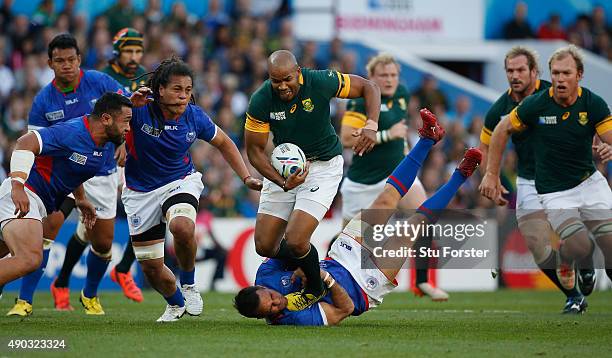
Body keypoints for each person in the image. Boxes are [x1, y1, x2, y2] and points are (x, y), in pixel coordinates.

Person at [234, 110, 483, 325]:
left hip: (341, 255)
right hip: (365, 286)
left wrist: (304, 262)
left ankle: (427, 139)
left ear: (261, 288)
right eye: (272, 310)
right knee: (413, 227)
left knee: (385, 200)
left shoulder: (265, 276)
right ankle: (462, 174)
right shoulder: (290, 318)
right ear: (263, 317)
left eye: (272, 298)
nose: (278, 304)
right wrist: (323, 279)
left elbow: (287, 250)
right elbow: (344, 310)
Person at [124, 57, 262, 322]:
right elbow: (102, 118)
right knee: (152, 268)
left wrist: (245, 177)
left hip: (179, 181)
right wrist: (128, 105)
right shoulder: (139, 108)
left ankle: (188, 284)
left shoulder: (194, 117)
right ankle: (176, 304)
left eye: (188, 90)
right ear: (160, 90)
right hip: (139, 192)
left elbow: (224, 142)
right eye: (177, 89)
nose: (183, 96)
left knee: (182, 227)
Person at [244, 50, 381, 311]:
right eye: (275, 81)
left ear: (298, 73)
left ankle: (315, 287)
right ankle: (308, 260)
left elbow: (369, 87)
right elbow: (254, 151)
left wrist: (371, 124)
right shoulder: (261, 99)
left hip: (323, 166)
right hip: (284, 170)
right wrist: (283, 182)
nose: (282, 86)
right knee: (265, 246)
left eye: (287, 79)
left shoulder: (320, 81)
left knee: (295, 240)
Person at [480, 45, 612, 314]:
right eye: (509, 71)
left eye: (520, 70)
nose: (514, 76)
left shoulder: (561, 95)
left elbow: (595, 129)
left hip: (578, 178)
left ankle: (583, 261)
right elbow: (489, 143)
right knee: (537, 245)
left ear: (534, 72)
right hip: (534, 182)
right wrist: (491, 176)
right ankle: (573, 295)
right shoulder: (503, 109)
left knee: (600, 242)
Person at [6, 33, 125, 317]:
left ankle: (90, 294)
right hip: (63, 174)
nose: (67, 65)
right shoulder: (43, 100)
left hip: (101, 170)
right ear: (50, 63)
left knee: (104, 242)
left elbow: (127, 110)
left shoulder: (99, 81)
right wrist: (26, 184)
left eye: (71, 59)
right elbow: (33, 143)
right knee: (47, 231)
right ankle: (24, 301)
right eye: (59, 61)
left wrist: (123, 144)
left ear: (79, 60)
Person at [0, 93, 132, 304]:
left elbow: (73, 169)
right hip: (24, 195)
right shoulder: (72, 131)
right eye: (125, 121)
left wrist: (80, 198)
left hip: (36, 202)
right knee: (30, 258)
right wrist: (18, 186)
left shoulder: (103, 144)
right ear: (106, 119)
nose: (128, 128)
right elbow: (25, 143)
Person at [340, 53, 447, 301]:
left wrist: (406, 153)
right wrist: (388, 134)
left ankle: (422, 282)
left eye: (393, 75)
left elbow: (401, 133)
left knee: (425, 215)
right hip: (363, 183)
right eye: (383, 75)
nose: (389, 80)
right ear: (371, 77)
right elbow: (347, 139)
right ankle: (327, 277)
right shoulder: (359, 102)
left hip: (397, 176)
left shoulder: (402, 94)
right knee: (348, 241)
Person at [54, 27, 149, 306]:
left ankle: (121, 269)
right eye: (128, 50)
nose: (134, 57)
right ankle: (62, 282)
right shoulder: (103, 79)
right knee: (86, 227)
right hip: (103, 156)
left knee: (153, 211)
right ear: (117, 52)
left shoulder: (145, 76)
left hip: (133, 156)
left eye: (138, 50)